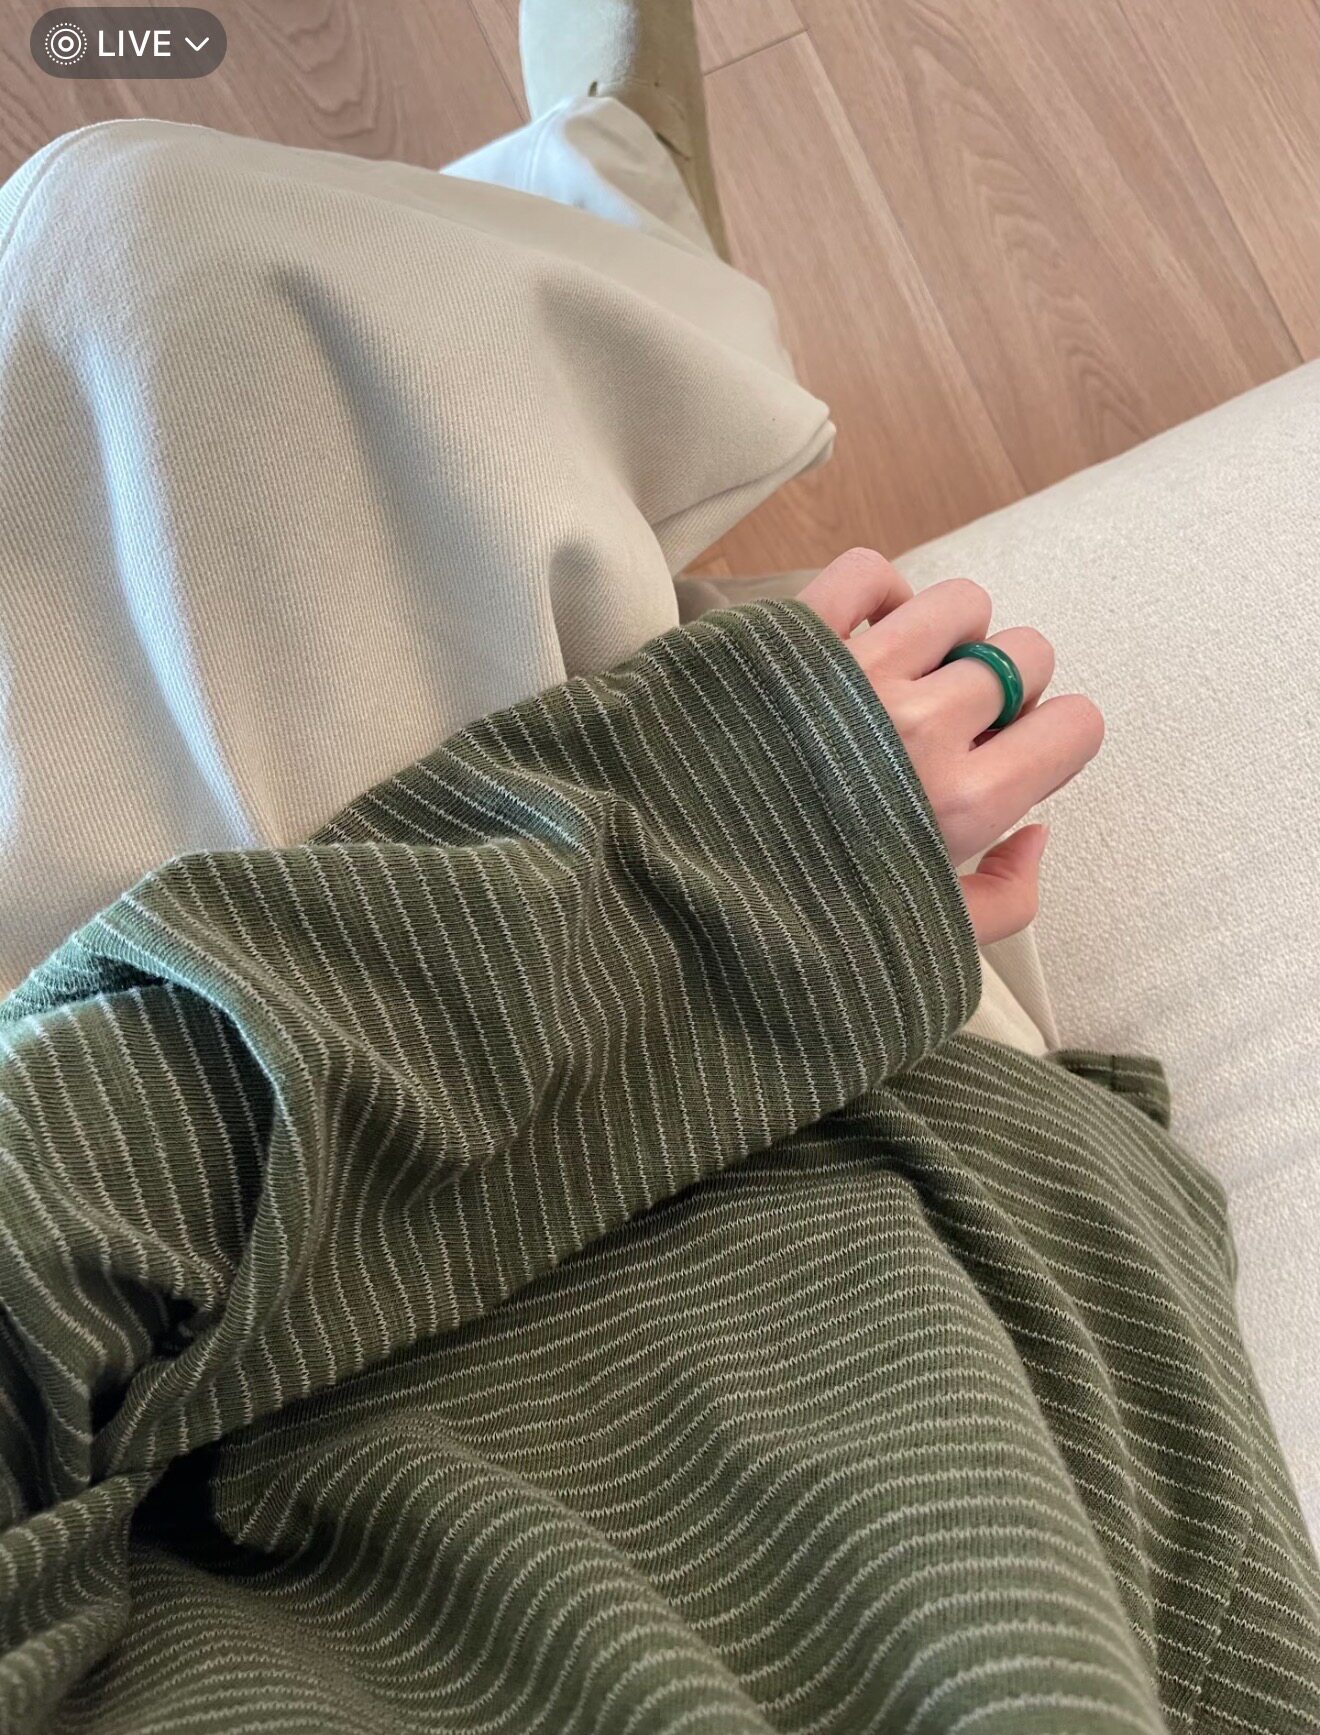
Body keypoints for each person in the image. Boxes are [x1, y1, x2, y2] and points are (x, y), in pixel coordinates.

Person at [0, 2, 1316, 1730]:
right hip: (812, 1291)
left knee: (141, 280)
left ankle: (600, 244)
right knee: (146, 266)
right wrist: (753, 866)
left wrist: (704, 861)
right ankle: (605, 235)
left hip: (218, 1396)